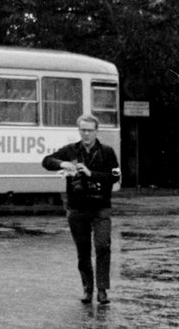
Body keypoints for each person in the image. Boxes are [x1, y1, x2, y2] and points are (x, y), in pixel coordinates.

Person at [42, 114, 121, 305]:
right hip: (77, 208)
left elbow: (115, 176)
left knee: (103, 246)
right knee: (83, 251)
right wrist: (62, 163)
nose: (86, 134)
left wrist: (91, 174)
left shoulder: (107, 152)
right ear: (79, 131)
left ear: (96, 131)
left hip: (101, 207)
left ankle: (102, 290)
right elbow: (46, 161)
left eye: (89, 130)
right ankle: (88, 289)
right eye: (82, 130)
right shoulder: (71, 150)